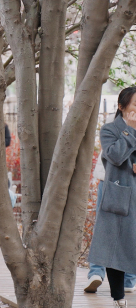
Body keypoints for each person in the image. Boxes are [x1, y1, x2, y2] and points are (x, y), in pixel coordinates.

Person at [88, 86, 136, 307]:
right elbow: (115, 156)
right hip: (119, 195)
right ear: (121, 106)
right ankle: (119, 298)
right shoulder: (109, 130)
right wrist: (130, 129)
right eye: (135, 105)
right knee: (114, 245)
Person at [85, 146, 136, 294]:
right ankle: (128, 279)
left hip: (110, 177)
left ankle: (96, 272)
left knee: (105, 224)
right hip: (118, 176)